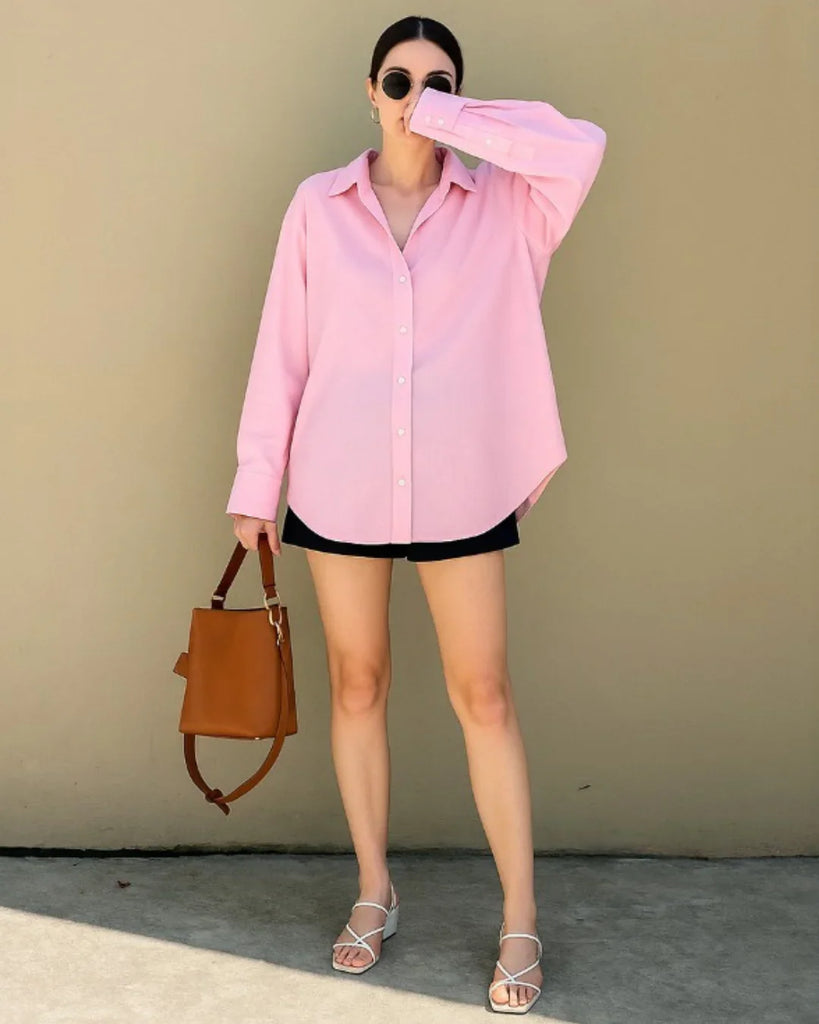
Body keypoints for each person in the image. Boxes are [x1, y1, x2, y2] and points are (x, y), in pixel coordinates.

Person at [227, 14, 606, 1014]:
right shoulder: (317, 207)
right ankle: (374, 888)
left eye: (437, 83)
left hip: (459, 482)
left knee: (484, 694)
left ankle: (518, 917)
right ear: (368, 91)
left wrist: (453, 120)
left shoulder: (509, 205)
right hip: (339, 480)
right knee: (357, 684)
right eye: (398, 81)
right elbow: (282, 349)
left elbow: (581, 147)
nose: (414, 98)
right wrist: (255, 485)